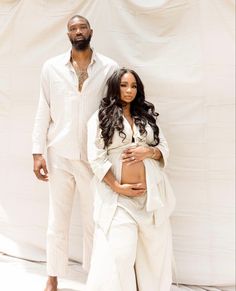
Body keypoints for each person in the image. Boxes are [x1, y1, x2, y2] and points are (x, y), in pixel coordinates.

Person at [32, 15, 118, 291]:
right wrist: (37, 152)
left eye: (82, 27)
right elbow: (42, 110)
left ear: (91, 31)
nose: (78, 31)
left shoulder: (109, 68)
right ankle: (53, 276)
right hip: (59, 154)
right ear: (67, 34)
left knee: (94, 219)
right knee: (57, 219)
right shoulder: (51, 67)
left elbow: (113, 112)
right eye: (73, 28)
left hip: (94, 158)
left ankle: (94, 278)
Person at [86, 68, 176, 291]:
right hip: (118, 199)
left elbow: (163, 148)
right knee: (119, 254)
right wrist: (118, 187)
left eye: (134, 86)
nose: (129, 90)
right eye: (124, 85)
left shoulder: (145, 117)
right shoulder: (100, 118)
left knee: (153, 258)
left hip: (150, 198)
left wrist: (148, 152)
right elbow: (95, 158)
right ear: (115, 87)